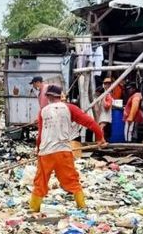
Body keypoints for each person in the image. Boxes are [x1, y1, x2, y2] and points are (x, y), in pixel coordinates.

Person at [30, 84, 107, 212]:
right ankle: (82, 207)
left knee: (40, 182)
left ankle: (33, 209)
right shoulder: (69, 108)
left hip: (46, 153)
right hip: (63, 152)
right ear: (60, 96)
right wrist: (100, 138)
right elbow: (90, 123)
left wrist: (38, 151)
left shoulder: (43, 111)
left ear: (48, 96)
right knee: (72, 180)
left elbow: (40, 136)